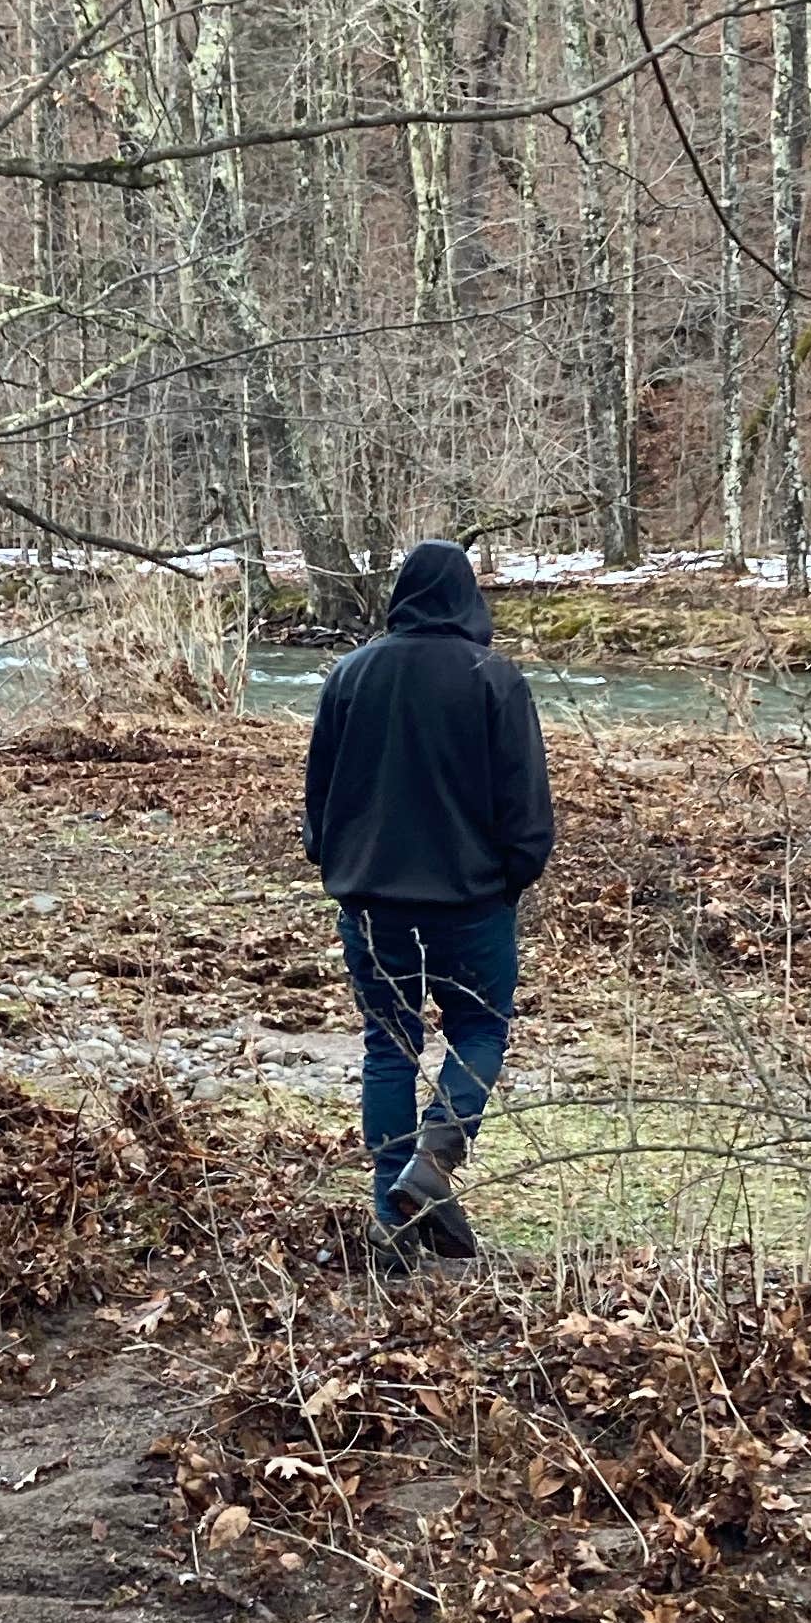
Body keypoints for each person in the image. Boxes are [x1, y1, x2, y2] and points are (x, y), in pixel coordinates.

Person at [301, 536, 553, 1269]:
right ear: (468, 597)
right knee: (479, 1029)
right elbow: (525, 802)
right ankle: (434, 1165)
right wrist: (513, 874)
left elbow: (319, 795)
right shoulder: (493, 679)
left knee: (389, 1045)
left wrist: (333, 857)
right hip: (472, 904)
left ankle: (394, 1211)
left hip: (372, 902)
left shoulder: (350, 675)